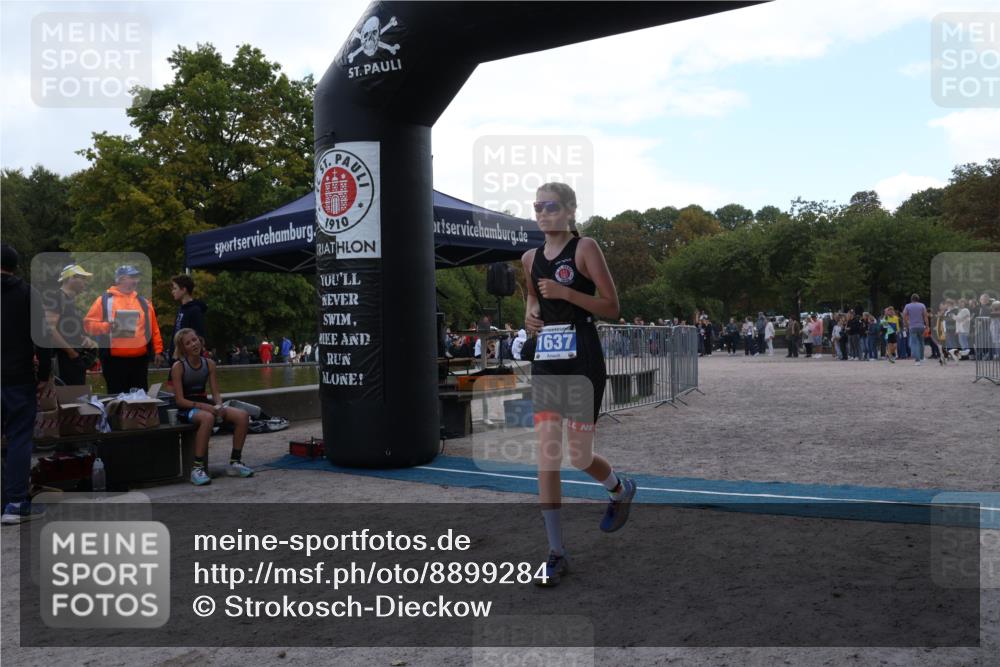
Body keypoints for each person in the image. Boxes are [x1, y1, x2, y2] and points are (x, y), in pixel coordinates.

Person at [521, 182, 634, 587]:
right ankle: (555, 552)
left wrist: (568, 292)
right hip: (548, 359)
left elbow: (612, 306)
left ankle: (619, 489)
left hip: (582, 354)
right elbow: (532, 301)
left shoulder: (585, 248)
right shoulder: (529, 257)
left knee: (579, 457)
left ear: (570, 210)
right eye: (537, 206)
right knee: (547, 456)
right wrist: (531, 317)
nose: (543, 213)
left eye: (550, 206)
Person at [2, 244, 53, 524]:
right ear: (15, 266)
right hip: (18, 378)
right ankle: (15, 503)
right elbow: (42, 338)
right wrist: (44, 375)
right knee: (19, 439)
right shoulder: (27, 293)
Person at [170, 328, 253, 485]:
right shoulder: (178, 367)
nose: (193, 344)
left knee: (242, 416)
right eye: (188, 343)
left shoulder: (209, 364)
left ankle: (235, 462)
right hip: (187, 408)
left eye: (194, 339)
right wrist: (204, 407)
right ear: (182, 349)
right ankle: (197, 468)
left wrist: (219, 405)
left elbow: (215, 393)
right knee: (207, 417)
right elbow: (179, 400)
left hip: (204, 405)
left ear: (199, 340)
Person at [83, 265, 165, 394]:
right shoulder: (103, 300)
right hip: (113, 361)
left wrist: (158, 351)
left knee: (140, 399)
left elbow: (154, 328)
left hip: (139, 360)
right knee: (117, 398)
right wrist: (107, 326)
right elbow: (88, 325)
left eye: (136, 277)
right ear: (120, 279)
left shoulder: (144, 302)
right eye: (132, 277)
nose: (136, 281)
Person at [45, 263, 98, 386]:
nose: (85, 283)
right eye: (83, 278)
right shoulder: (56, 297)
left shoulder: (70, 302)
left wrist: (84, 338)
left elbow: (68, 329)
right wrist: (72, 353)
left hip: (74, 358)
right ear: (71, 278)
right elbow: (50, 329)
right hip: (63, 359)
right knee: (67, 400)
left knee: (78, 398)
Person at [168, 274, 208, 365]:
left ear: (184, 289)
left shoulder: (195, 311)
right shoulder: (180, 309)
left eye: (175, 288)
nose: (172, 292)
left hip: (188, 364)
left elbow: (199, 338)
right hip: (177, 360)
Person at [902, 293, 929, 366]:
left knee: (914, 343)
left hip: (912, 326)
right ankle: (922, 357)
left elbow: (904, 316)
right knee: (921, 342)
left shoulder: (907, 306)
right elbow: (925, 316)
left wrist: (906, 325)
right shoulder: (922, 305)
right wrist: (927, 326)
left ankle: (917, 360)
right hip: (921, 326)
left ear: (911, 299)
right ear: (918, 299)